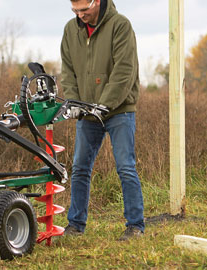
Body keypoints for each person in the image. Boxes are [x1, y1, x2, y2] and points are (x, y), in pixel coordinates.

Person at [60, 0, 144, 241]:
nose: (80, 15)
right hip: (87, 112)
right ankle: (76, 225)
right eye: (75, 10)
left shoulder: (120, 26)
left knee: (125, 167)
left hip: (119, 111)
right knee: (80, 168)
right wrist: (75, 102)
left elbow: (124, 71)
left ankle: (135, 226)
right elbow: (68, 71)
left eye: (84, 10)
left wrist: (104, 104)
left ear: (97, 2)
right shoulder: (70, 30)